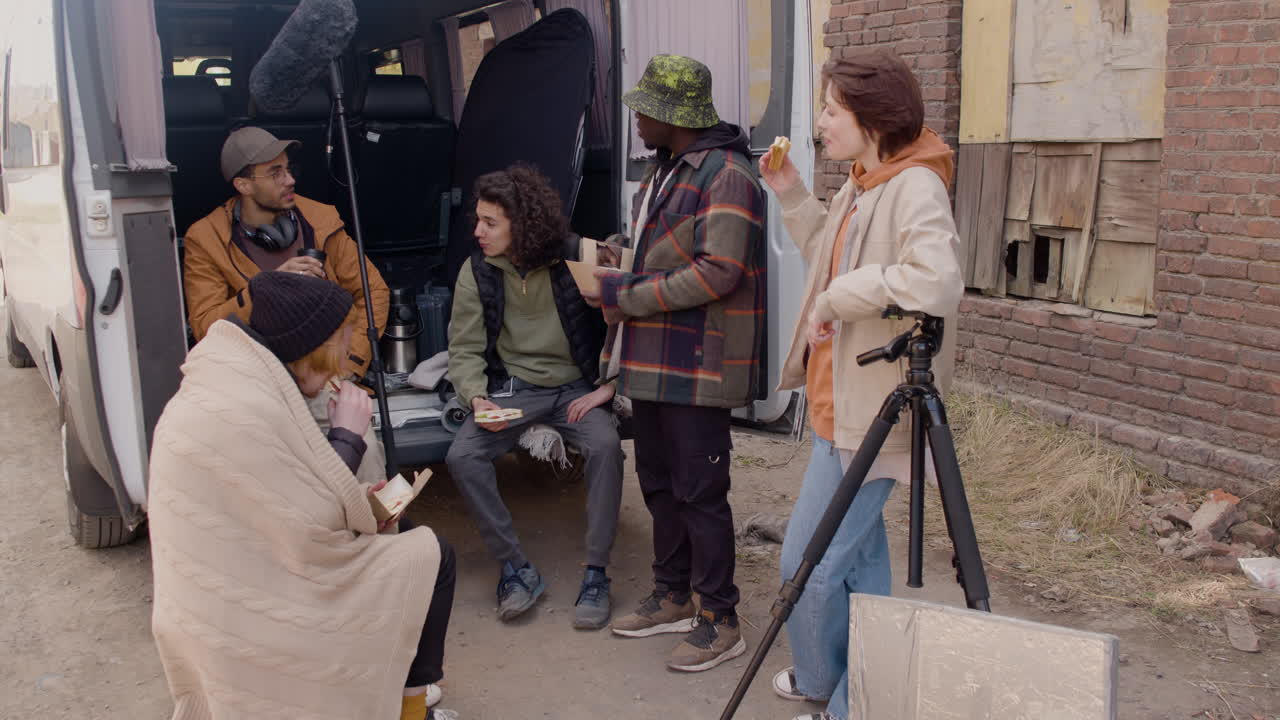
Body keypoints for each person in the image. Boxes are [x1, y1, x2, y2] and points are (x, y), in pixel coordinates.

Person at [757, 48, 964, 720]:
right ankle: (859, 693)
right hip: (835, 409)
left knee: (807, 565)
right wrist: (789, 188)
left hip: (872, 418)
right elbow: (830, 253)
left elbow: (936, 281)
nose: (819, 122)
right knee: (861, 569)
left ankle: (827, 688)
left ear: (871, 117)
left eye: (830, 109)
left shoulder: (915, 186)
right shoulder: (864, 180)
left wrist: (841, 296)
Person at [148, 271, 457, 720]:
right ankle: (411, 710)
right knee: (432, 557)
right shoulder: (247, 406)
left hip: (248, 567)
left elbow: (285, 500)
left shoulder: (241, 373)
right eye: (339, 349)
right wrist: (348, 438)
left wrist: (364, 500)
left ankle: (406, 695)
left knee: (410, 540)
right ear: (311, 349)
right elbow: (308, 520)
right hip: (247, 599)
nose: (342, 364)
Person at [583, 54, 766, 673]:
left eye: (643, 107)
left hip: (700, 363)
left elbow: (721, 270)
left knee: (701, 494)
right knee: (659, 484)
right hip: (656, 360)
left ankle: (719, 617)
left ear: (671, 114)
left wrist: (621, 294)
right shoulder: (666, 168)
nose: (633, 116)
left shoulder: (728, 174)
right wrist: (619, 254)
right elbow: (668, 252)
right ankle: (673, 592)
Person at [445, 164, 623, 630]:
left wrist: (611, 385)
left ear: (521, 225)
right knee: (463, 455)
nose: (477, 231)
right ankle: (516, 570)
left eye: (490, 223)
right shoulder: (477, 270)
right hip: (514, 390)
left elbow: (628, 316)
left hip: (575, 389)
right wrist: (476, 397)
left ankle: (597, 574)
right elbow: (463, 347)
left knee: (606, 447)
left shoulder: (575, 255)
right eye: (477, 220)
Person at [182, 125, 391, 484]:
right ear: (243, 185)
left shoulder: (321, 220)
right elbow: (205, 327)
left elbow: (373, 293)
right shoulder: (205, 238)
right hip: (256, 384)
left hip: (325, 376)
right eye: (275, 172)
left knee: (366, 453)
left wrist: (347, 365)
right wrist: (266, 288)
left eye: (289, 168)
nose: (290, 179)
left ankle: (372, 534)